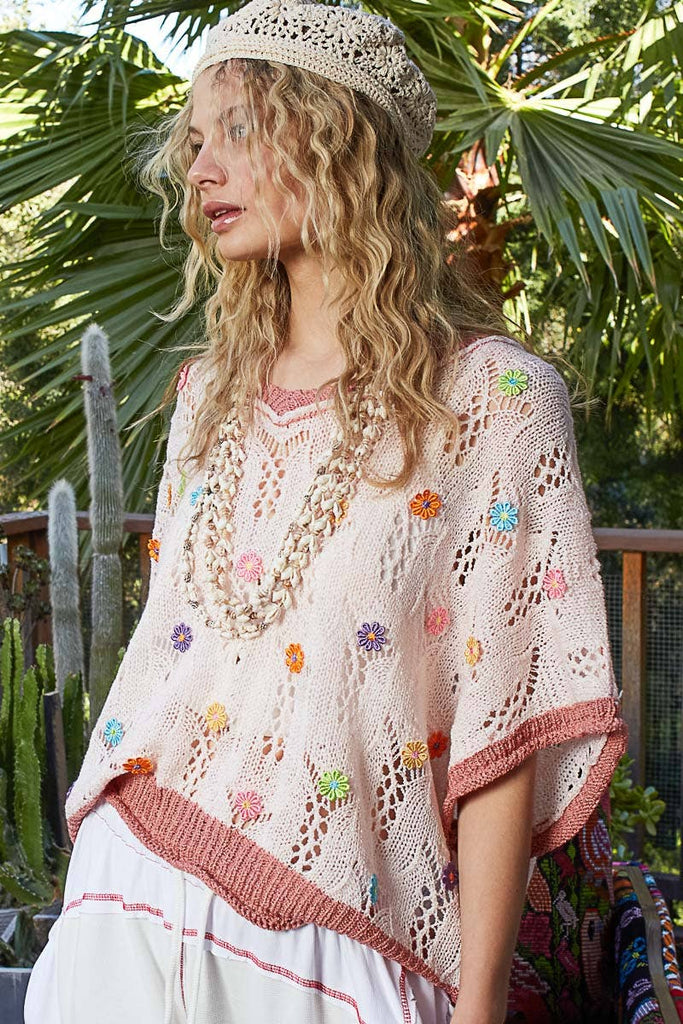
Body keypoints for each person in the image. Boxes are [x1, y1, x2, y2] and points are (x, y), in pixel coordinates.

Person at [24, 0, 628, 1021]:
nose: (200, 170)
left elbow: (500, 733)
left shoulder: (494, 402)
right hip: (122, 909)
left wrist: (478, 1006)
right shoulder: (205, 399)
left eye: (237, 130)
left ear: (338, 142)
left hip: (333, 945)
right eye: (195, 141)